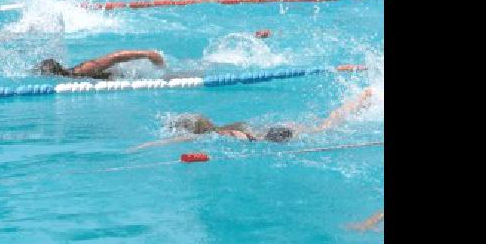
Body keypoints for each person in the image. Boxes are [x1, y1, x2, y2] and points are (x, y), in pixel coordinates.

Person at [131, 88, 376, 151]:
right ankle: (359, 101)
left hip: (269, 138)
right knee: (323, 125)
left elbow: (176, 142)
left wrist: (145, 146)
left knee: (325, 128)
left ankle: (360, 101)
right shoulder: (223, 127)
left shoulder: (214, 135)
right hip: (270, 130)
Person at [37, 50, 165, 80]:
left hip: (134, 74)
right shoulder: (72, 77)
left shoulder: (83, 70)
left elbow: (116, 57)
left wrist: (147, 54)